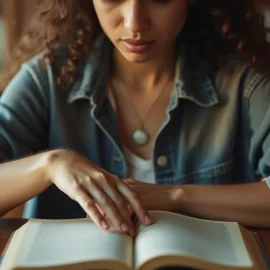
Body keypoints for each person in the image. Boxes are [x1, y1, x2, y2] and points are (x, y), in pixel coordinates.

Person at [0, 0, 270, 237]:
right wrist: (49, 166)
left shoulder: (244, 86)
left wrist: (174, 197)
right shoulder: (48, 79)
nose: (134, 23)